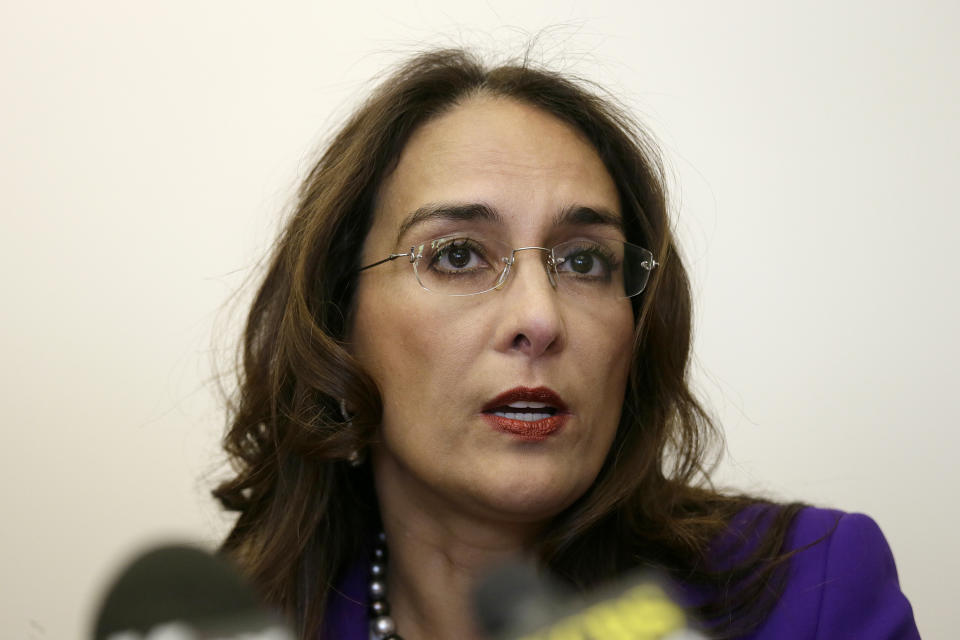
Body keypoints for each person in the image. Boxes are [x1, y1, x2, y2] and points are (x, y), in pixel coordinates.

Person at [213, 48, 919, 639]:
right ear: (339, 319)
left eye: (585, 261)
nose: (540, 318)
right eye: (458, 255)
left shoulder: (817, 590)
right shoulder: (250, 619)